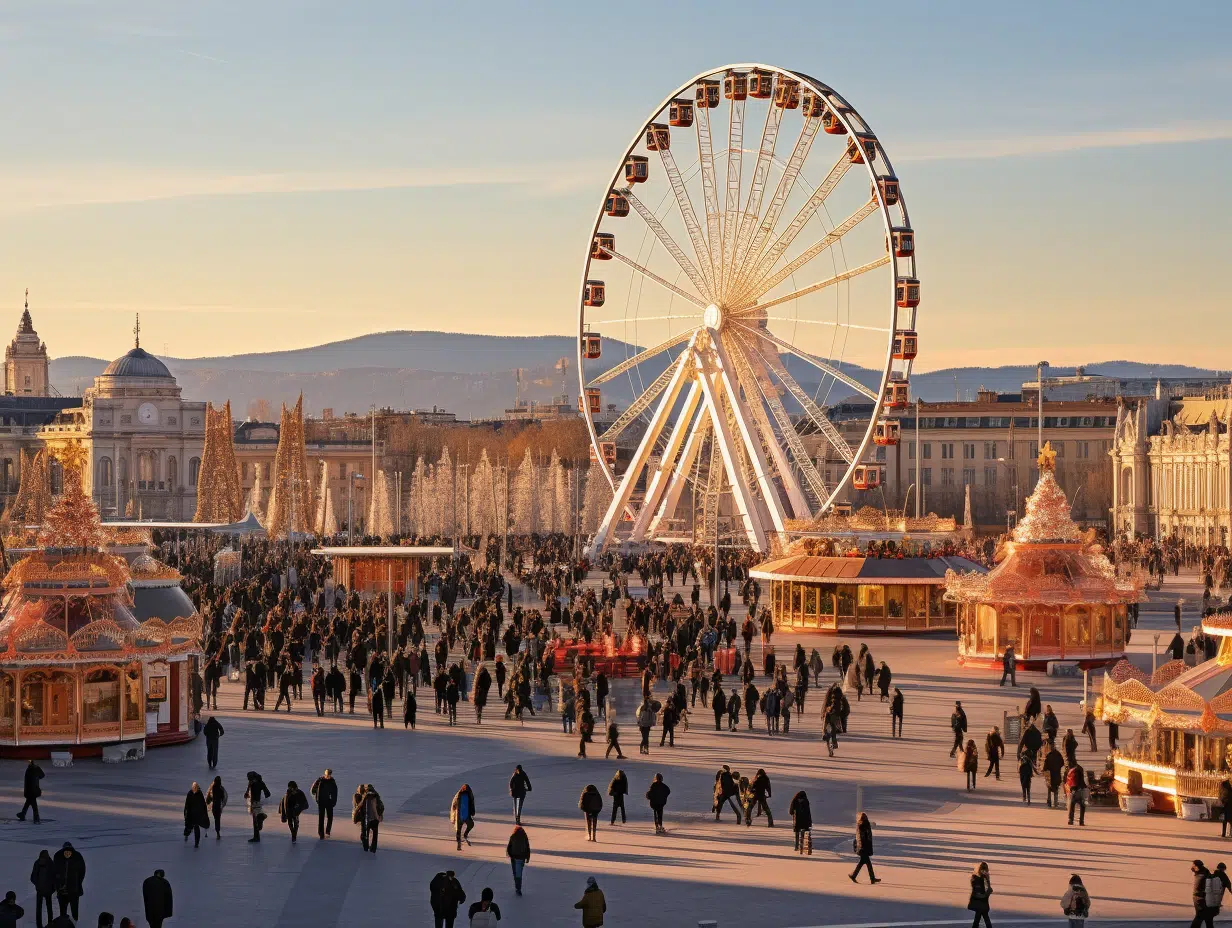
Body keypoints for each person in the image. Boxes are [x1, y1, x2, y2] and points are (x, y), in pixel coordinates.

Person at [53, 842, 86, 922]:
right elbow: (54, 872)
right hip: (62, 890)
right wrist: (57, 884)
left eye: (69, 852)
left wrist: (77, 883)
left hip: (73, 890)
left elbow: (82, 871)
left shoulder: (77, 857)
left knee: (74, 912)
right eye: (66, 852)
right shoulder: (58, 857)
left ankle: (74, 925)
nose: (67, 853)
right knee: (63, 913)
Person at [354, 783, 384, 853]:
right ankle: (373, 849)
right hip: (375, 818)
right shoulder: (377, 796)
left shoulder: (365, 796)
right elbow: (381, 807)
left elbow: (359, 806)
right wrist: (379, 814)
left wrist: (355, 816)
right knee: (375, 834)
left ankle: (366, 848)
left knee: (365, 833)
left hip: (366, 818)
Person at [850, 812, 879, 883]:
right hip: (864, 847)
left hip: (861, 847)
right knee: (868, 864)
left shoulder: (860, 825)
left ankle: (854, 875)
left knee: (863, 863)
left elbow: (860, 837)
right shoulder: (865, 824)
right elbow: (867, 837)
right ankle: (872, 879)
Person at [30, 849, 55, 928]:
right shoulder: (43, 863)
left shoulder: (49, 863)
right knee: (45, 908)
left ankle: (44, 924)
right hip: (44, 890)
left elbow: (54, 877)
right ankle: (45, 924)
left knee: (44, 908)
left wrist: (52, 888)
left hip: (45, 890)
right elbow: (33, 877)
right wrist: (38, 885)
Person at [311, 768, 338, 839]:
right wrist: (317, 797)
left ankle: (327, 832)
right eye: (327, 774)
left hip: (329, 802)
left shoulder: (332, 781)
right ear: (325, 774)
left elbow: (335, 793)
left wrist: (333, 801)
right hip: (321, 801)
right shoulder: (320, 780)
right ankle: (321, 834)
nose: (328, 776)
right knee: (321, 818)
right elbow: (313, 790)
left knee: (330, 817)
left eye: (329, 775)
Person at [244, 770, 270, 842]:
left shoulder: (255, 783)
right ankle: (256, 836)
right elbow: (268, 793)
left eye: (249, 778)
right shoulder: (256, 782)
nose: (249, 780)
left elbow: (267, 793)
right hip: (256, 803)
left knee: (255, 820)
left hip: (256, 803)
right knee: (255, 819)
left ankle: (256, 837)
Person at [505, 826, 530, 896]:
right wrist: (527, 857)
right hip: (521, 858)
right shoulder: (524, 837)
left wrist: (509, 854)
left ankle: (517, 887)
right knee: (519, 873)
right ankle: (518, 888)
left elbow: (509, 846)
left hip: (514, 857)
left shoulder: (513, 836)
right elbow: (527, 847)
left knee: (515, 873)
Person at [183, 781, 209, 848]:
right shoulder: (192, 793)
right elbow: (187, 804)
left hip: (195, 814)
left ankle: (196, 842)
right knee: (191, 826)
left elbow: (203, 805)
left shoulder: (195, 793)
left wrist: (204, 813)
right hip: (194, 814)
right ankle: (188, 836)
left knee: (194, 827)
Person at [451, 783, 477, 850]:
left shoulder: (462, 794)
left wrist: (454, 812)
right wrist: (473, 812)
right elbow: (471, 804)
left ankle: (461, 838)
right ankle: (462, 836)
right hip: (463, 816)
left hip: (462, 815)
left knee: (461, 827)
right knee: (469, 825)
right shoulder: (466, 795)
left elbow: (454, 804)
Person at [18, 758, 44, 823]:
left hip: (30, 790)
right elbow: (42, 775)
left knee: (33, 804)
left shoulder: (29, 769)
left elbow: (27, 781)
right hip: (34, 789)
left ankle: (36, 818)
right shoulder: (35, 769)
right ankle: (23, 814)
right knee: (29, 802)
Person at [967, 862, 992, 928]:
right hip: (982, 901)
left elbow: (976, 889)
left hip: (979, 900)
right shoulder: (984, 878)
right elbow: (988, 890)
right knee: (983, 917)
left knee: (978, 917)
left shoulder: (976, 877)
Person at [1065, 761, 1087, 826]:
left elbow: (1065, 781)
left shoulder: (1068, 770)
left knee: (1072, 805)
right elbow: (1081, 780)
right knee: (1082, 806)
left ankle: (1070, 820)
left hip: (1072, 790)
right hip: (1080, 789)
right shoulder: (1080, 768)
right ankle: (1081, 821)